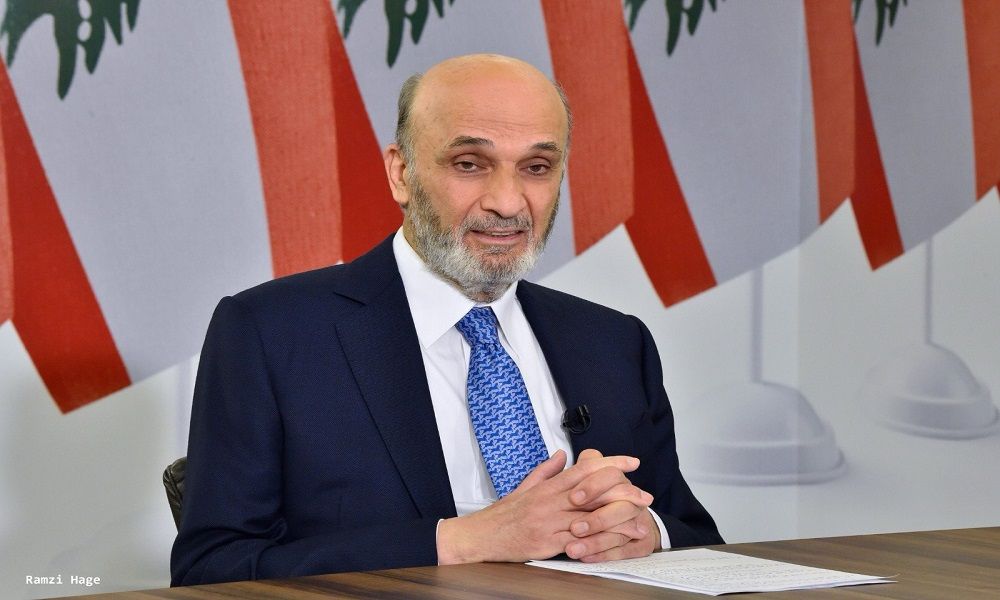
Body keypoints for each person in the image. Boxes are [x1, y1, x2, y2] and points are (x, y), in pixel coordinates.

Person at [171, 53, 721, 586]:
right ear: (401, 174)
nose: (508, 203)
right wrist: (462, 541)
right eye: (469, 164)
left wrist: (644, 531)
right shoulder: (271, 332)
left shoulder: (613, 341)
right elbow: (212, 569)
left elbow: (694, 534)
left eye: (536, 168)